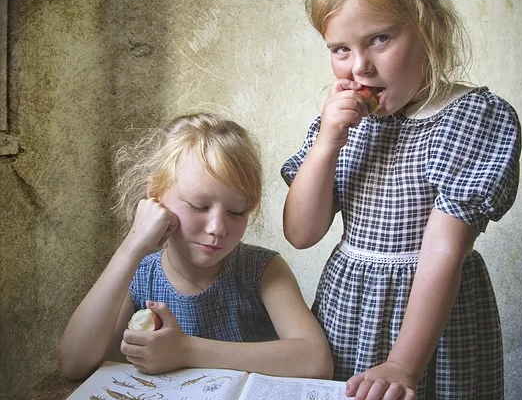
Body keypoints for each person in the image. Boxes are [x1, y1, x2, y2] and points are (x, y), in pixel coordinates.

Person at [281, 0, 521, 400]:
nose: (358, 66)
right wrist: (328, 142)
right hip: (349, 305)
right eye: (340, 48)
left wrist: (404, 362)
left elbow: (442, 250)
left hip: (430, 320)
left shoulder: (472, 118)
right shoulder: (342, 124)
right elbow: (302, 232)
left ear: (429, 29)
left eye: (379, 40)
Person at [58, 112, 333, 383]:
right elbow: (73, 363)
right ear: (155, 196)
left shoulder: (262, 270)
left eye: (236, 211)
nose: (217, 228)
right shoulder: (140, 276)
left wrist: (186, 350)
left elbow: (316, 361)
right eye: (199, 206)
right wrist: (133, 245)